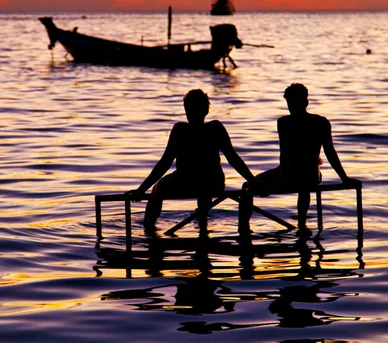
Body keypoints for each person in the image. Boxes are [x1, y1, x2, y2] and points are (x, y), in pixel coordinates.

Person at [130, 89, 258, 231]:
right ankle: (205, 225)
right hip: (214, 183)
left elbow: (165, 163)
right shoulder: (216, 128)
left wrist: (142, 189)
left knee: (158, 188)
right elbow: (234, 159)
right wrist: (253, 181)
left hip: (186, 182)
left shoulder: (180, 130)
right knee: (206, 183)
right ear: (206, 110)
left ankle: (149, 230)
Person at [239, 83, 360, 232]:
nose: (290, 107)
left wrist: (276, 182)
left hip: (290, 175)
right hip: (311, 176)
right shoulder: (321, 122)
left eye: (290, 103)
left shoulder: (283, 123)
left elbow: (286, 155)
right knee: (306, 183)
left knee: (247, 186)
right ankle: (302, 222)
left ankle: (243, 230)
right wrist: (344, 178)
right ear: (306, 102)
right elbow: (330, 152)